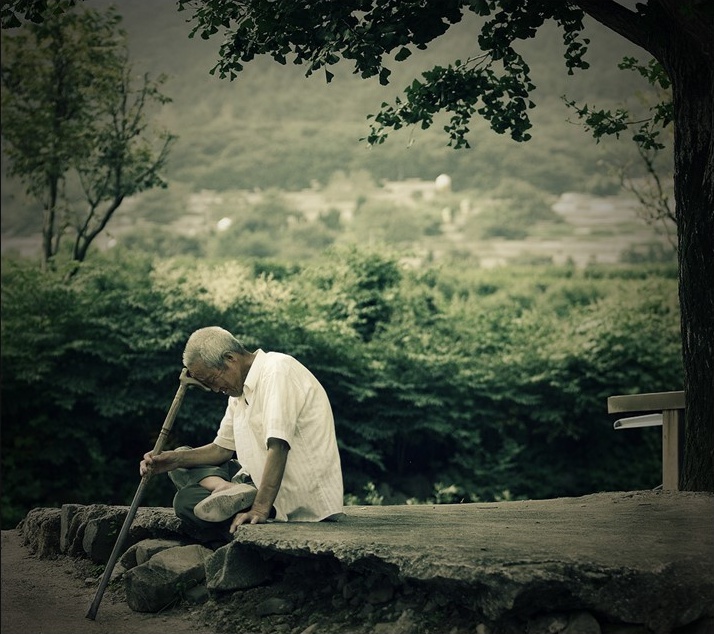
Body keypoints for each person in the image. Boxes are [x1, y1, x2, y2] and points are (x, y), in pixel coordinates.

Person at [140, 326, 344, 543]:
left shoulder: (277, 370)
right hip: (254, 480)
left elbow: (279, 446)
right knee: (182, 465)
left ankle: (240, 497)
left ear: (230, 359)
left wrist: (260, 508)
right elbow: (221, 450)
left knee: (186, 501)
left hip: (292, 498)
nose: (215, 389)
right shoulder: (237, 394)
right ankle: (225, 487)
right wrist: (172, 460)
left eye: (213, 380)